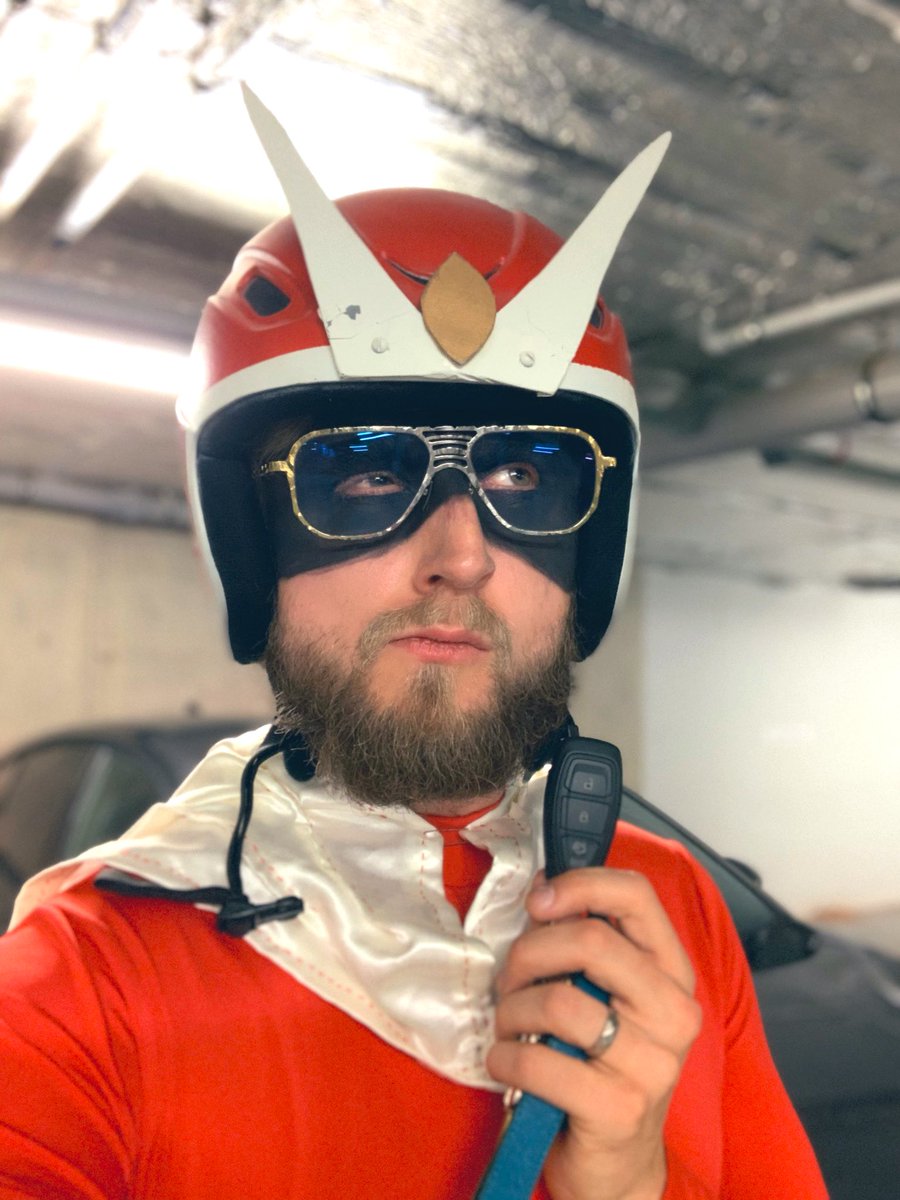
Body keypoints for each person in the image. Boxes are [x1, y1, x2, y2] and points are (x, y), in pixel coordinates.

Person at [0, 87, 827, 1200]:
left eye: (525, 476)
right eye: (361, 473)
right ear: (253, 547)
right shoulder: (86, 976)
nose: (462, 556)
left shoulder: (664, 905)